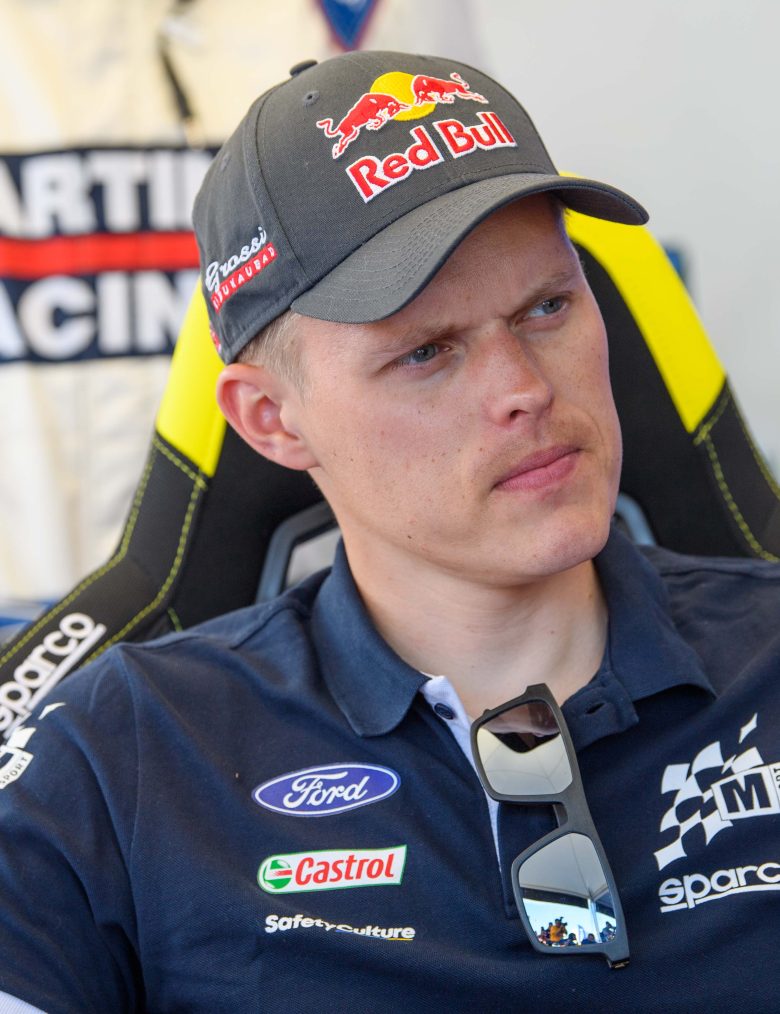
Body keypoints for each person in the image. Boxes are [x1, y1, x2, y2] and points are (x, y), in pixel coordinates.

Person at [0, 49, 779, 1013]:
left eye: (547, 307)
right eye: (426, 352)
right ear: (272, 421)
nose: (525, 389)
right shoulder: (120, 755)